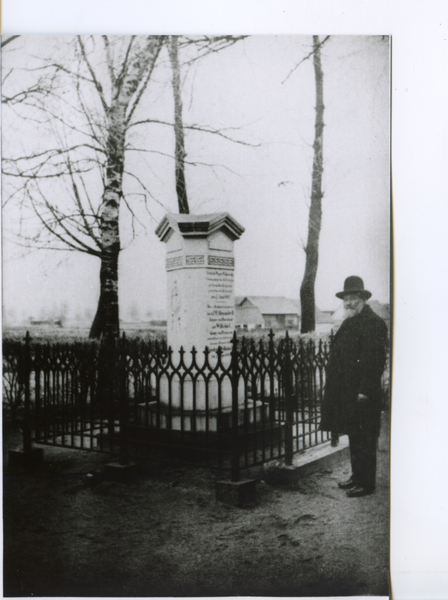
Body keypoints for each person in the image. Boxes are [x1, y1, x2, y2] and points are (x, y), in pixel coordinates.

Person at [320, 276, 388, 497]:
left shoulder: (374, 323)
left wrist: (364, 390)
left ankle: (366, 484)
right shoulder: (349, 322)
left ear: (362, 299)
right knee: (354, 434)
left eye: (353, 298)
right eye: (346, 298)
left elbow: (374, 362)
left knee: (366, 438)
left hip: (363, 393)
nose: (348, 303)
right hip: (348, 391)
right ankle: (357, 476)